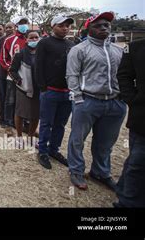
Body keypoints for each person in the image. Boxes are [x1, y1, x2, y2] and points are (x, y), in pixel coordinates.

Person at [66, 12, 126, 191]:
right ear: (88, 28)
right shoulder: (80, 49)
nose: (103, 28)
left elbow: (124, 76)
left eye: (106, 25)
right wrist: (78, 99)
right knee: (78, 139)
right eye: (98, 25)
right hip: (88, 101)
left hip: (114, 103)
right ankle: (76, 170)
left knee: (105, 142)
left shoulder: (118, 50)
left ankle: (100, 172)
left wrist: (123, 99)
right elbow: (72, 75)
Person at [35, 15, 75, 170]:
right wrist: (43, 88)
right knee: (46, 123)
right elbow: (38, 66)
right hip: (50, 91)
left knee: (61, 124)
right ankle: (43, 151)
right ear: (53, 26)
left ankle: (54, 150)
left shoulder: (72, 44)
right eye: (61, 25)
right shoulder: (44, 43)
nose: (65, 28)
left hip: (67, 92)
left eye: (67, 26)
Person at [115, 38, 145, 207]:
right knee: (138, 164)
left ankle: (123, 191)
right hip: (142, 120)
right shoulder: (135, 48)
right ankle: (126, 203)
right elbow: (124, 76)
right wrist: (133, 100)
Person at [0, 16, 29, 136]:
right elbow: (3, 58)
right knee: (10, 100)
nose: (24, 25)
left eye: (25, 23)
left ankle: (24, 123)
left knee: (25, 101)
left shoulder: (31, 39)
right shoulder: (9, 40)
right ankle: (8, 123)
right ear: (17, 25)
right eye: (21, 23)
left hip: (28, 77)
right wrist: (11, 70)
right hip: (12, 76)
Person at [9, 30, 41, 143]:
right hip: (23, 88)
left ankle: (31, 135)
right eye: (31, 38)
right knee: (20, 113)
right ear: (26, 39)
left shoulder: (42, 54)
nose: (34, 40)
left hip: (38, 89)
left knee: (35, 114)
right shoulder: (20, 54)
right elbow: (12, 71)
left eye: (36, 38)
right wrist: (19, 81)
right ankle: (18, 135)